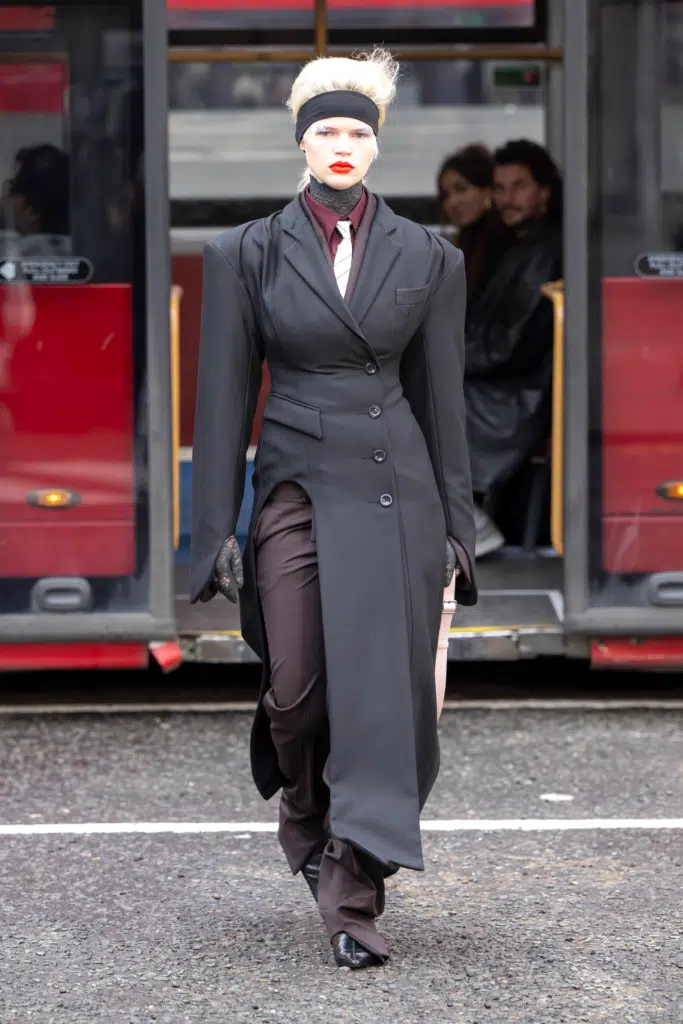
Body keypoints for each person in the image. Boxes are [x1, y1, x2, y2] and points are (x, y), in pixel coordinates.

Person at [190, 49, 477, 969]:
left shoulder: (431, 256)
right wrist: (212, 533)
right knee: (298, 690)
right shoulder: (243, 252)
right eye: (327, 131)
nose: (342, 145)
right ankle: (306, 811)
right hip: (294, 487)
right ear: (302, 142)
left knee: (381, 704)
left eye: (358, 131)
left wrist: (458, 533)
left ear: (376, 141)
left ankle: (353, 895)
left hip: (396, 490)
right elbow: (223, 402)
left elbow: (441, 400)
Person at [464, 138, 563, 556]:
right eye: (500, 189)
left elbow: (510, 348)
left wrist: (441, 355)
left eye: (519, 186)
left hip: (518, 394)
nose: (507, 199)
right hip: (509, 385)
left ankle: (466, 514)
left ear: (545, 192)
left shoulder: (544, 251)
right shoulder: (520, 247)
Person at [437, 144, 511, 304]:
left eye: (461, 189)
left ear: (488, 190)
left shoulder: (501, 244)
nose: (452, 202)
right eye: (446, 195)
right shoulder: (467, 243)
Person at [2, 144, 71, 259]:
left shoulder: (14, 259)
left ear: (33, 211)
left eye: (12, 189)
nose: (6, 199)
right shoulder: (82, 254)